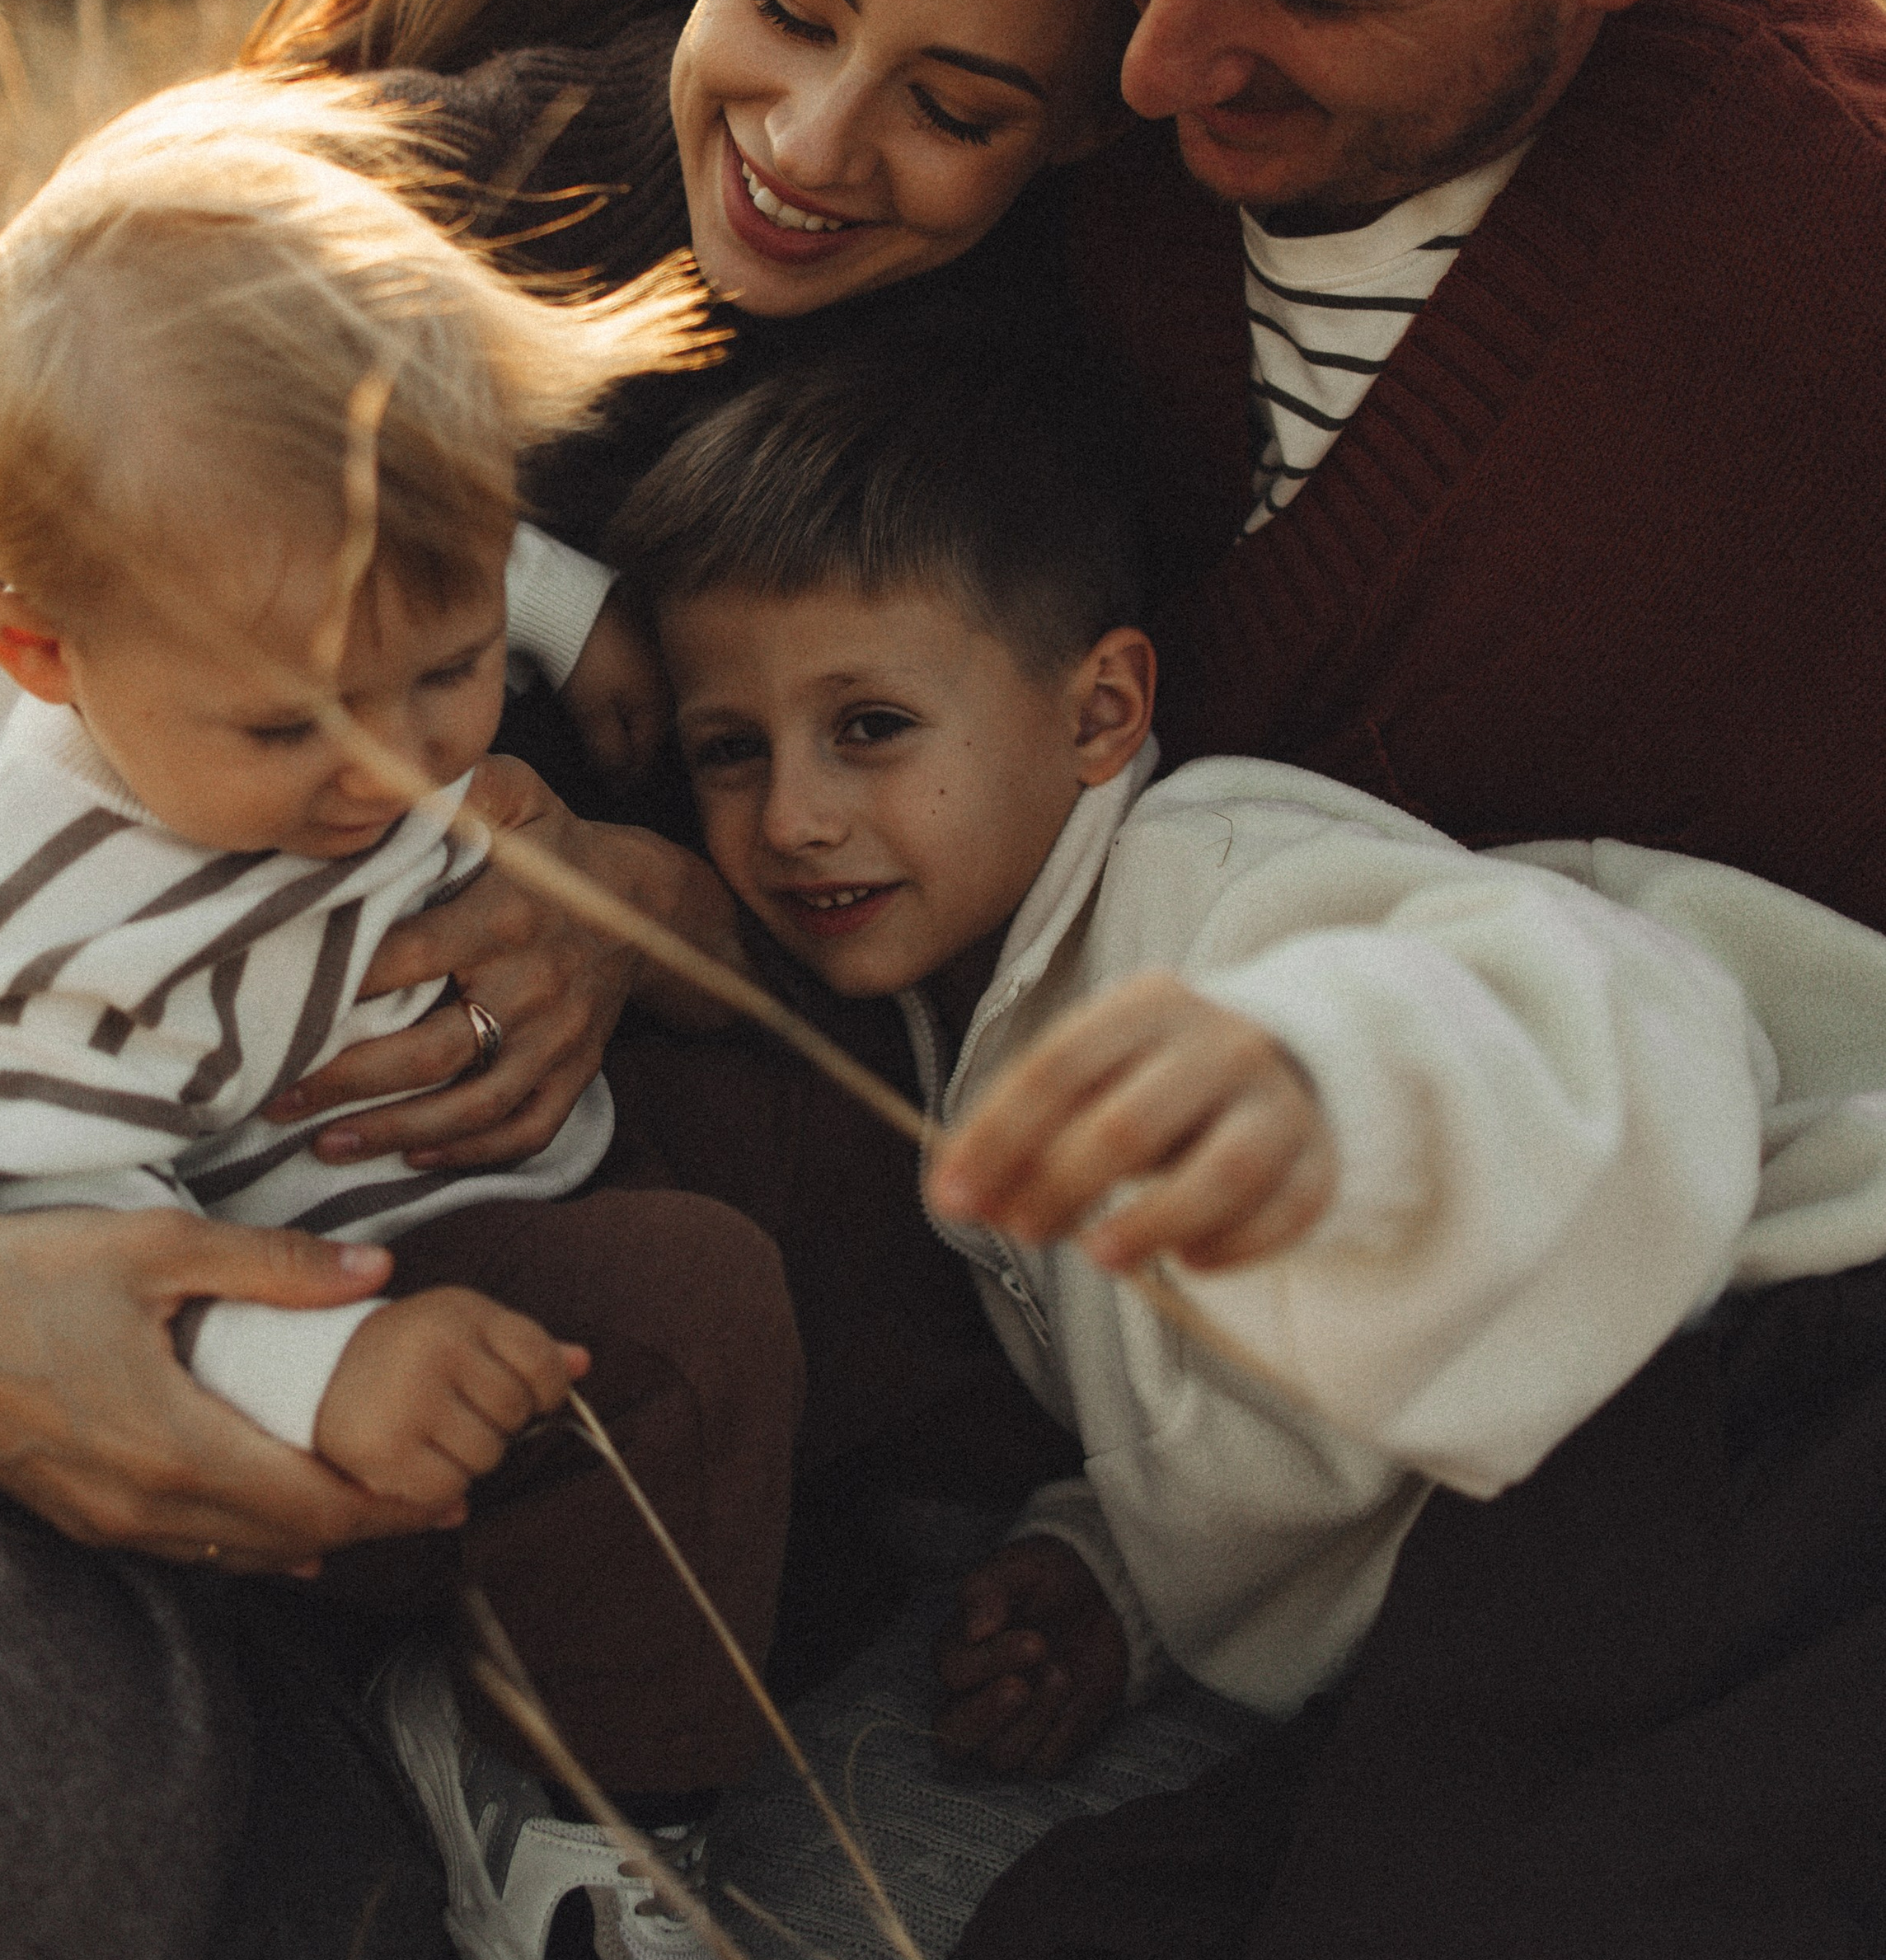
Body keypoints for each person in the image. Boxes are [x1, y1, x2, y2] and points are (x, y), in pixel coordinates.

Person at [0, 0, 1131, 1960]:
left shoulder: (1014, 439)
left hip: (497, 1338)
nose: (824, 146)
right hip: (8, 1232)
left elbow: (1017, 932)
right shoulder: (308, 242)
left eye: (964, 106)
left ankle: (440, 1816)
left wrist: (677, 906)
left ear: (1091, 120)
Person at [918, 0, 1886, 1960]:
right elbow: (140, 407)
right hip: (1435, 1522)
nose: (1160, 48)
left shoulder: (1822, 262)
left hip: (1786, 1383)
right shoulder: (958, 26)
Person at [0, 69, 815, 1960]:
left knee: (858, 1234)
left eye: (443, 669)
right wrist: (317, 1384)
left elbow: (422, 524)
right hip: (283, 1282)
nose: (390, 767)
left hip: (452, 1096)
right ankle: (570, 1788)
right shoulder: (34, 931)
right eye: (294, 726)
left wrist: (567, 610)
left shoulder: (290, 588)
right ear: (33, 657)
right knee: (686, 1323)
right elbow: (79, 1264)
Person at [608, 359, 1886, 1771]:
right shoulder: (961, 1027)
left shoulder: (1211, 878)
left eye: (871, 729)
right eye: (729, 750)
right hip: (1538, 1526)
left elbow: (1604, 1009)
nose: (791, 816)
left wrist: (1331, 1081)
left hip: (1790, 1336)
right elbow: (1285, 1411)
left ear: (1100, 715)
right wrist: (1122, 1583)